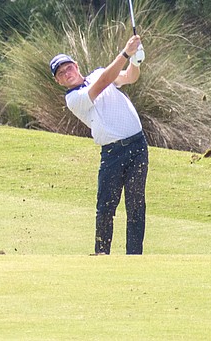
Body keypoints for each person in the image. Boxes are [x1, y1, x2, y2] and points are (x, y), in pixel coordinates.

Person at [50, 35, 148, 255]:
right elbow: (104, 82)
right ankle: (102, 254)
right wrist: (125, 52)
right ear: (58, 81)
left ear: (76, 66)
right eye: (61, 73)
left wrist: (136, 60)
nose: (67, 73)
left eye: (68, 68)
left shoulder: (96, 73)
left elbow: (130, 78)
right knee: (106, 207)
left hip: (138, 146)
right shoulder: (74, 98)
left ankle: (134, 256)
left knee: (136, 205)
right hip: (112, 153)